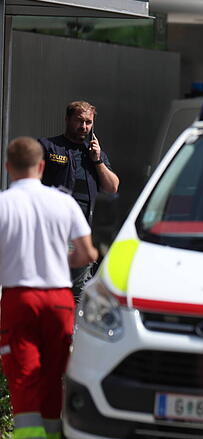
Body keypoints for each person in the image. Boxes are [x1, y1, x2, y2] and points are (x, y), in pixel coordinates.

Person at [0, 137, 98, 439]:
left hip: (20, 298)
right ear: (42, 167)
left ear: (8, 167)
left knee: (24, 373)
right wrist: (58, 258)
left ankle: (30, 436)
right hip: (59, 299)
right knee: (55, 375)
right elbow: (88, 254)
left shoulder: (3, 203)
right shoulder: (64, 201)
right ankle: (54, 434)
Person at [39, 100, 119, 293]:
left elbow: (112, 187)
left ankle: (72, 324)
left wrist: (97, 160)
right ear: (67, 119)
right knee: (50, 285)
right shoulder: (48, 147)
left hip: (82, 234)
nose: (84, 126)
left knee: (79, 290)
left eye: (88, 122)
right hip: (54, 231)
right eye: (79, 121)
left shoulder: (94, 154)